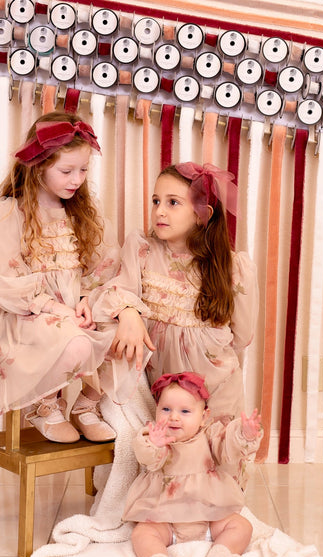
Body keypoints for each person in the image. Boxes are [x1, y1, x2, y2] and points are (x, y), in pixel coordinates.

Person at [0, 111, 131, 443]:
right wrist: (55, 308)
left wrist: (86, 299)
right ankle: (44, 406)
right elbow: (2, 276)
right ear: (39, 166)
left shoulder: (83, 214)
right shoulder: (15, 212)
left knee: (125, 337)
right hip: (24, 314)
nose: (76, 179)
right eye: (67, 171)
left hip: (72, 310)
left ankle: (86, 405)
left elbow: (103, 264)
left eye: (83, 170)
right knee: (75, 342)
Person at [89, 162, 258, 425]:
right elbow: (119, 290)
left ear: (202, 214)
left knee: (211, 445)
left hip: (214, 385)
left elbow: (243, 335)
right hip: (158, 383)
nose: (160, 211)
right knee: (158, 445)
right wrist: (129, 312)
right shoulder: (142, 250)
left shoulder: (232, 267)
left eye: (173, 203)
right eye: (156, 201)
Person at [122, 372, 262, 557]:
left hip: (209, 518)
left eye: (185, 411)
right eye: (166, 409)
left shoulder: (209, 436)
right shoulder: (156, 438)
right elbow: (147, 458)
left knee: (242, 526)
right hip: (166, 520)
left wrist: (244, 435)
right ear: (157, 409)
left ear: (204, 417)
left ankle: (221, 552)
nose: (174, 417)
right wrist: (153, 444)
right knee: (142, 533)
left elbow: (227, 446)